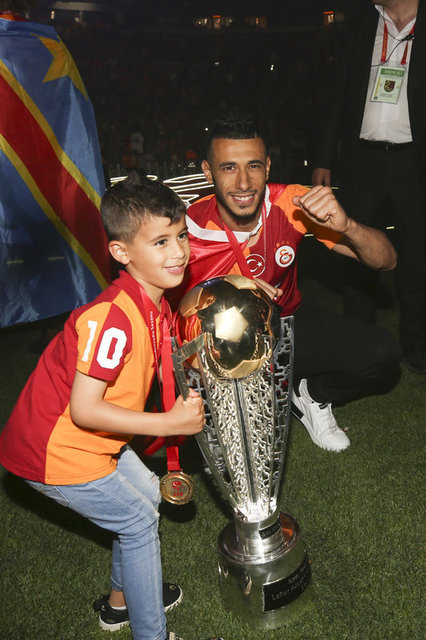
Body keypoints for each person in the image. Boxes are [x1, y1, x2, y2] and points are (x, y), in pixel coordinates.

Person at [0, 175, 221, 640]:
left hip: (93, 442)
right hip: (55, 450)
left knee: (146, 498)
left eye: (181, 235)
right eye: (160, 242)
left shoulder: (152, 305)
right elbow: (85, 410)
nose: (178, 251)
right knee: (138, 521)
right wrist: (168, 421)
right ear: (121, 252)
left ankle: (120, 605)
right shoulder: (114, 318)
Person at [176, 111, 401, 453]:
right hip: (226, 343)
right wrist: (230, 285)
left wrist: (347, 226)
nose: (243, 183)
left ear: (268, 167)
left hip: (287, 325)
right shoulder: (188, 227)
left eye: (253, 166)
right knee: (236, 442)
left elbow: (387, 260)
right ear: (208, 172)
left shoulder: (291, 202)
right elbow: (168, 314)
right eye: (228, 168)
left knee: (382, 354)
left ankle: (310, 395)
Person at [312, 0, 425, 375]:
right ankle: (358, 343)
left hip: (415, 162)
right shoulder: (360, 25)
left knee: (418, 255)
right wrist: (324, 158)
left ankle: (417, 348)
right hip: (363, 161)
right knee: (357, 252)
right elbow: (337, 94)